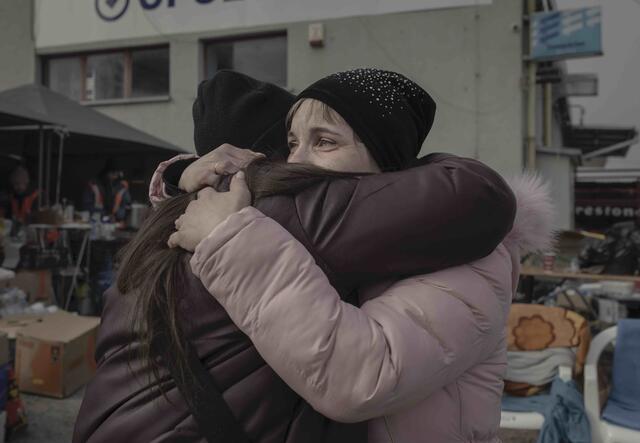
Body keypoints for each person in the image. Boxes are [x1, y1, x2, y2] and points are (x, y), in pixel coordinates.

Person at [74, 71, 523, 443]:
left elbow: (364, 377)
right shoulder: (319, 225)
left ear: (388, 173)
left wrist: (214, 221)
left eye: (325, 141)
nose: (296, 160)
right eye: (291, 143)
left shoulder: (470, 261)